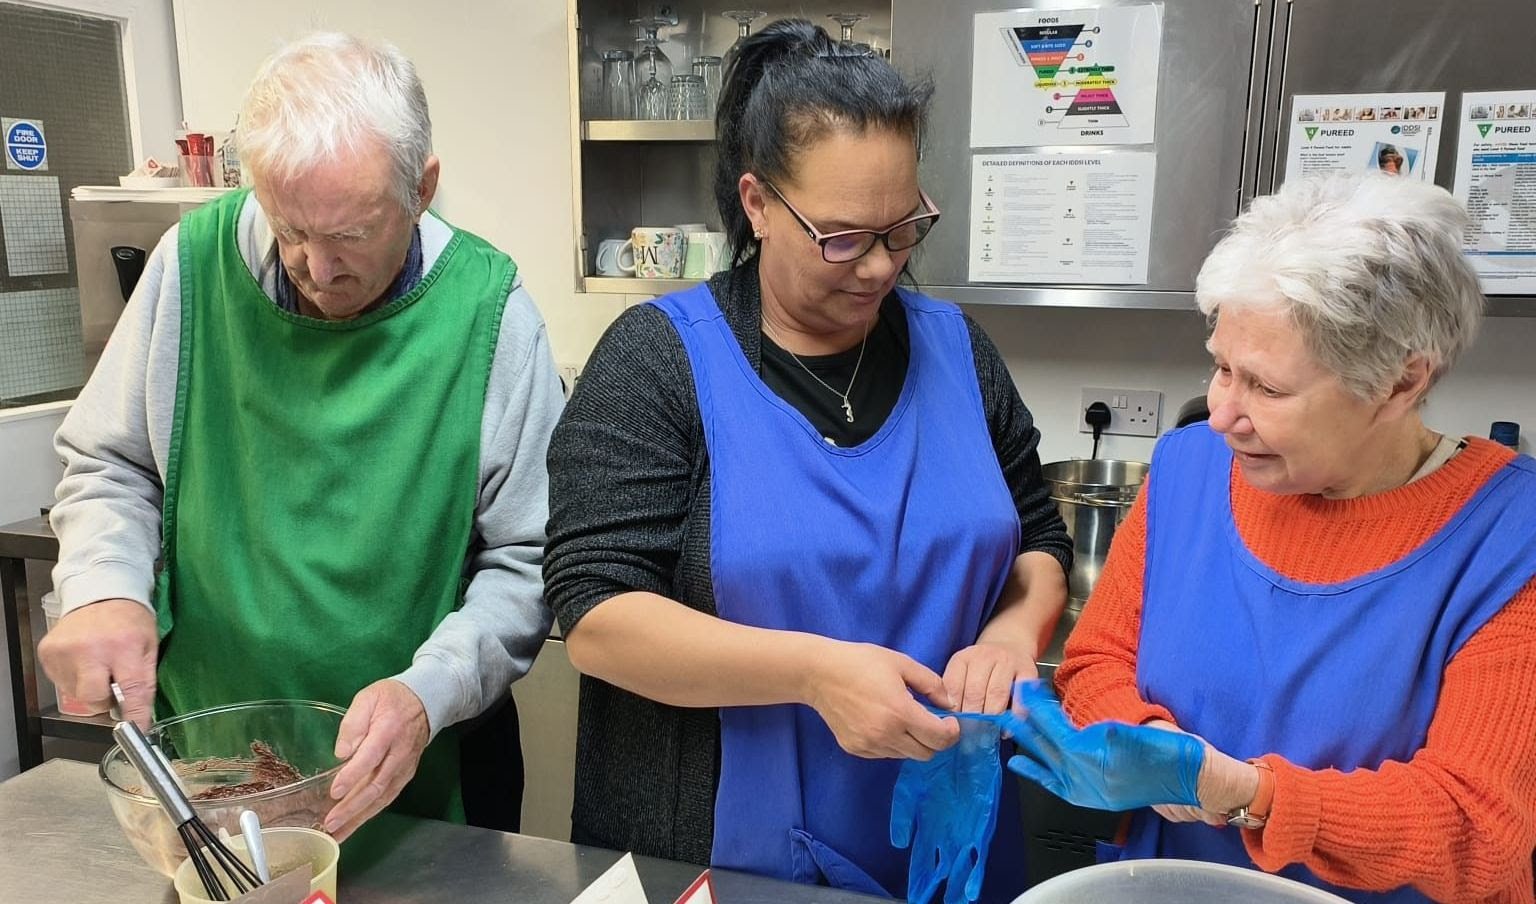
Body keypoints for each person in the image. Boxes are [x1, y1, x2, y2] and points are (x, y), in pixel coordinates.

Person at [543, 19, 1071, 901]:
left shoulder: (958, 351)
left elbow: (1040, 534)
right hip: (723, 853)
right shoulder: (659, 361)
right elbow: (594, 612)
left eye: (903, 231)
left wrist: (1012, 636)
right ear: (757, 204)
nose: (877, 269)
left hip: (948, 837)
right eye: (841, 238)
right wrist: (815, 674)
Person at [38, 33, 563, 843]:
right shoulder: (191, 264)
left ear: (422, 189)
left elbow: (528, 559)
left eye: (351, 235)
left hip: (421, 774)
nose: (317, 269)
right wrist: (104, 583)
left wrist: (432, 690)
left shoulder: (491, 313)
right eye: (288, 230)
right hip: (209, 769)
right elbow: (112, 462)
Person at [1013, 174, 1536, 902]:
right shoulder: (1189, 468)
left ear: (1399, 383)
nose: (1223, 411)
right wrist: (1147, 748)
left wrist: (1247, 793)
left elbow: (1477, 826)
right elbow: (1098, 660)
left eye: (1266, 387)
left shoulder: (1511, 539)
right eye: (1220, 366)